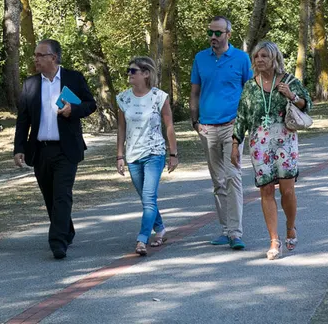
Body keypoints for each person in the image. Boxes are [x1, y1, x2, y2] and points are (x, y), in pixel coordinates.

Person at [13, 39, 97, 259]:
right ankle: (66, 230)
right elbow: (23, 120)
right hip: (40, 150)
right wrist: (19, 148)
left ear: (54, 57)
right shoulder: (30, 84)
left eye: (40, 55)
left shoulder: (73, 78)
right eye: (35, 55)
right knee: (50, 197)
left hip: (66, 149)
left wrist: (73, 110)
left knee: (62, 195)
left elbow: (91, 104)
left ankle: (57, 242)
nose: (36, 59)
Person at [231, 41, 311, 260]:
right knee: (266, 190)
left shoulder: (289, 81)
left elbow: (308, 104)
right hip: (259, 142)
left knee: (287, 190)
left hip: (285, 139)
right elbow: (242, 117)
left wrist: (291, 96)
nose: (259, 60)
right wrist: (235, 144)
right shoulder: (249, 86)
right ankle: (274, 240)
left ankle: (291, 226)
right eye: (256, 56)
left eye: (264, 56)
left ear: (274, 58)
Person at [190, 16, 253, 250]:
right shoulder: (200, 59)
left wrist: (243, 121)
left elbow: (249, 92)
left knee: (233, 177)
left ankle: (236, 233)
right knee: (218, 181)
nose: (213, 38)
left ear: (228, 34)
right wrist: (195, 122)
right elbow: (195, 92)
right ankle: (226, 230)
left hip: (232, 127)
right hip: (207, 128)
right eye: (210, 33)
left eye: (218, 33)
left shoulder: (241, 59)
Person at [116, 57, 179, 256]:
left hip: (154, 152)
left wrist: (173, 153)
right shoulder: (123, 98)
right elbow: (121, 128)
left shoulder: (159, 97)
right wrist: (119, 155)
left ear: (146, 73)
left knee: (149, 197)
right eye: (129, 71)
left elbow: (169, 125)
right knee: (145, 198)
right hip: (133, 154)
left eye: (133, 71)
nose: (129, 74)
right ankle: (160, 229)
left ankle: (142, 239)